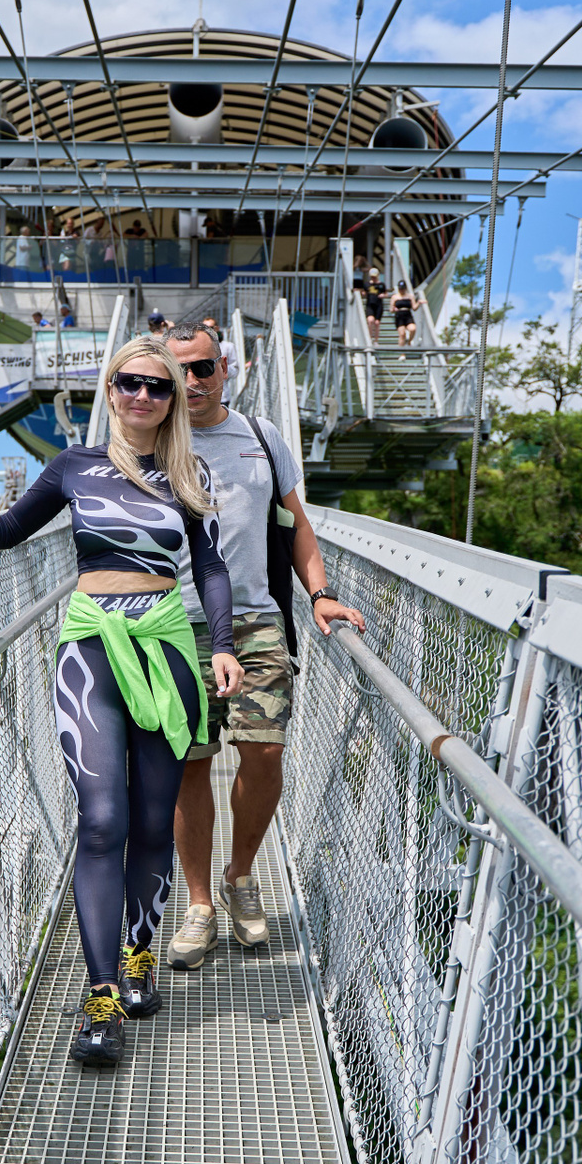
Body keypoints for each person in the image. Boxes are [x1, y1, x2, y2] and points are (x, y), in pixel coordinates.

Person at [0, 337, 243, 1067]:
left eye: (158, 386)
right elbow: (10, 530)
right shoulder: (73, 466)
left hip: (166, 648)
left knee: (152, 820)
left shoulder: (189, 473)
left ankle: (140, 954)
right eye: (130, 382)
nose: (143, 396)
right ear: (110, 389)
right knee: (102, 818)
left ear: (172, 400)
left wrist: (221, 644)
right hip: (90, 646)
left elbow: (212, 566)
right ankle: (102, 995)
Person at [161, 323, 366, 968]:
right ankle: (199, 905)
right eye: (176, 372)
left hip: (256, 619)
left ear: (225, 368)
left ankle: (240, 875)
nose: (191, 382)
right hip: (174, 622)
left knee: (265, 750)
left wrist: (320, 593)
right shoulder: (150, 437)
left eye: (202, 368)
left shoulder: (260, 436)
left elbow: (296, 523)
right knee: (189, 762)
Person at [392, 282, 418, 347]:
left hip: (407, 314)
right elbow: (391, 309)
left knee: (413, 329)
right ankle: (401, 351)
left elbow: (414, 307)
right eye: (400, 289)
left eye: (403, 289)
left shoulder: (410, 296)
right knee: (402, 334)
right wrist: (394, 309)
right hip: (399, 315)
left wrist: (419, 303)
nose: (401, 290)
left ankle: (409, 341)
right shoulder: (395, 297)